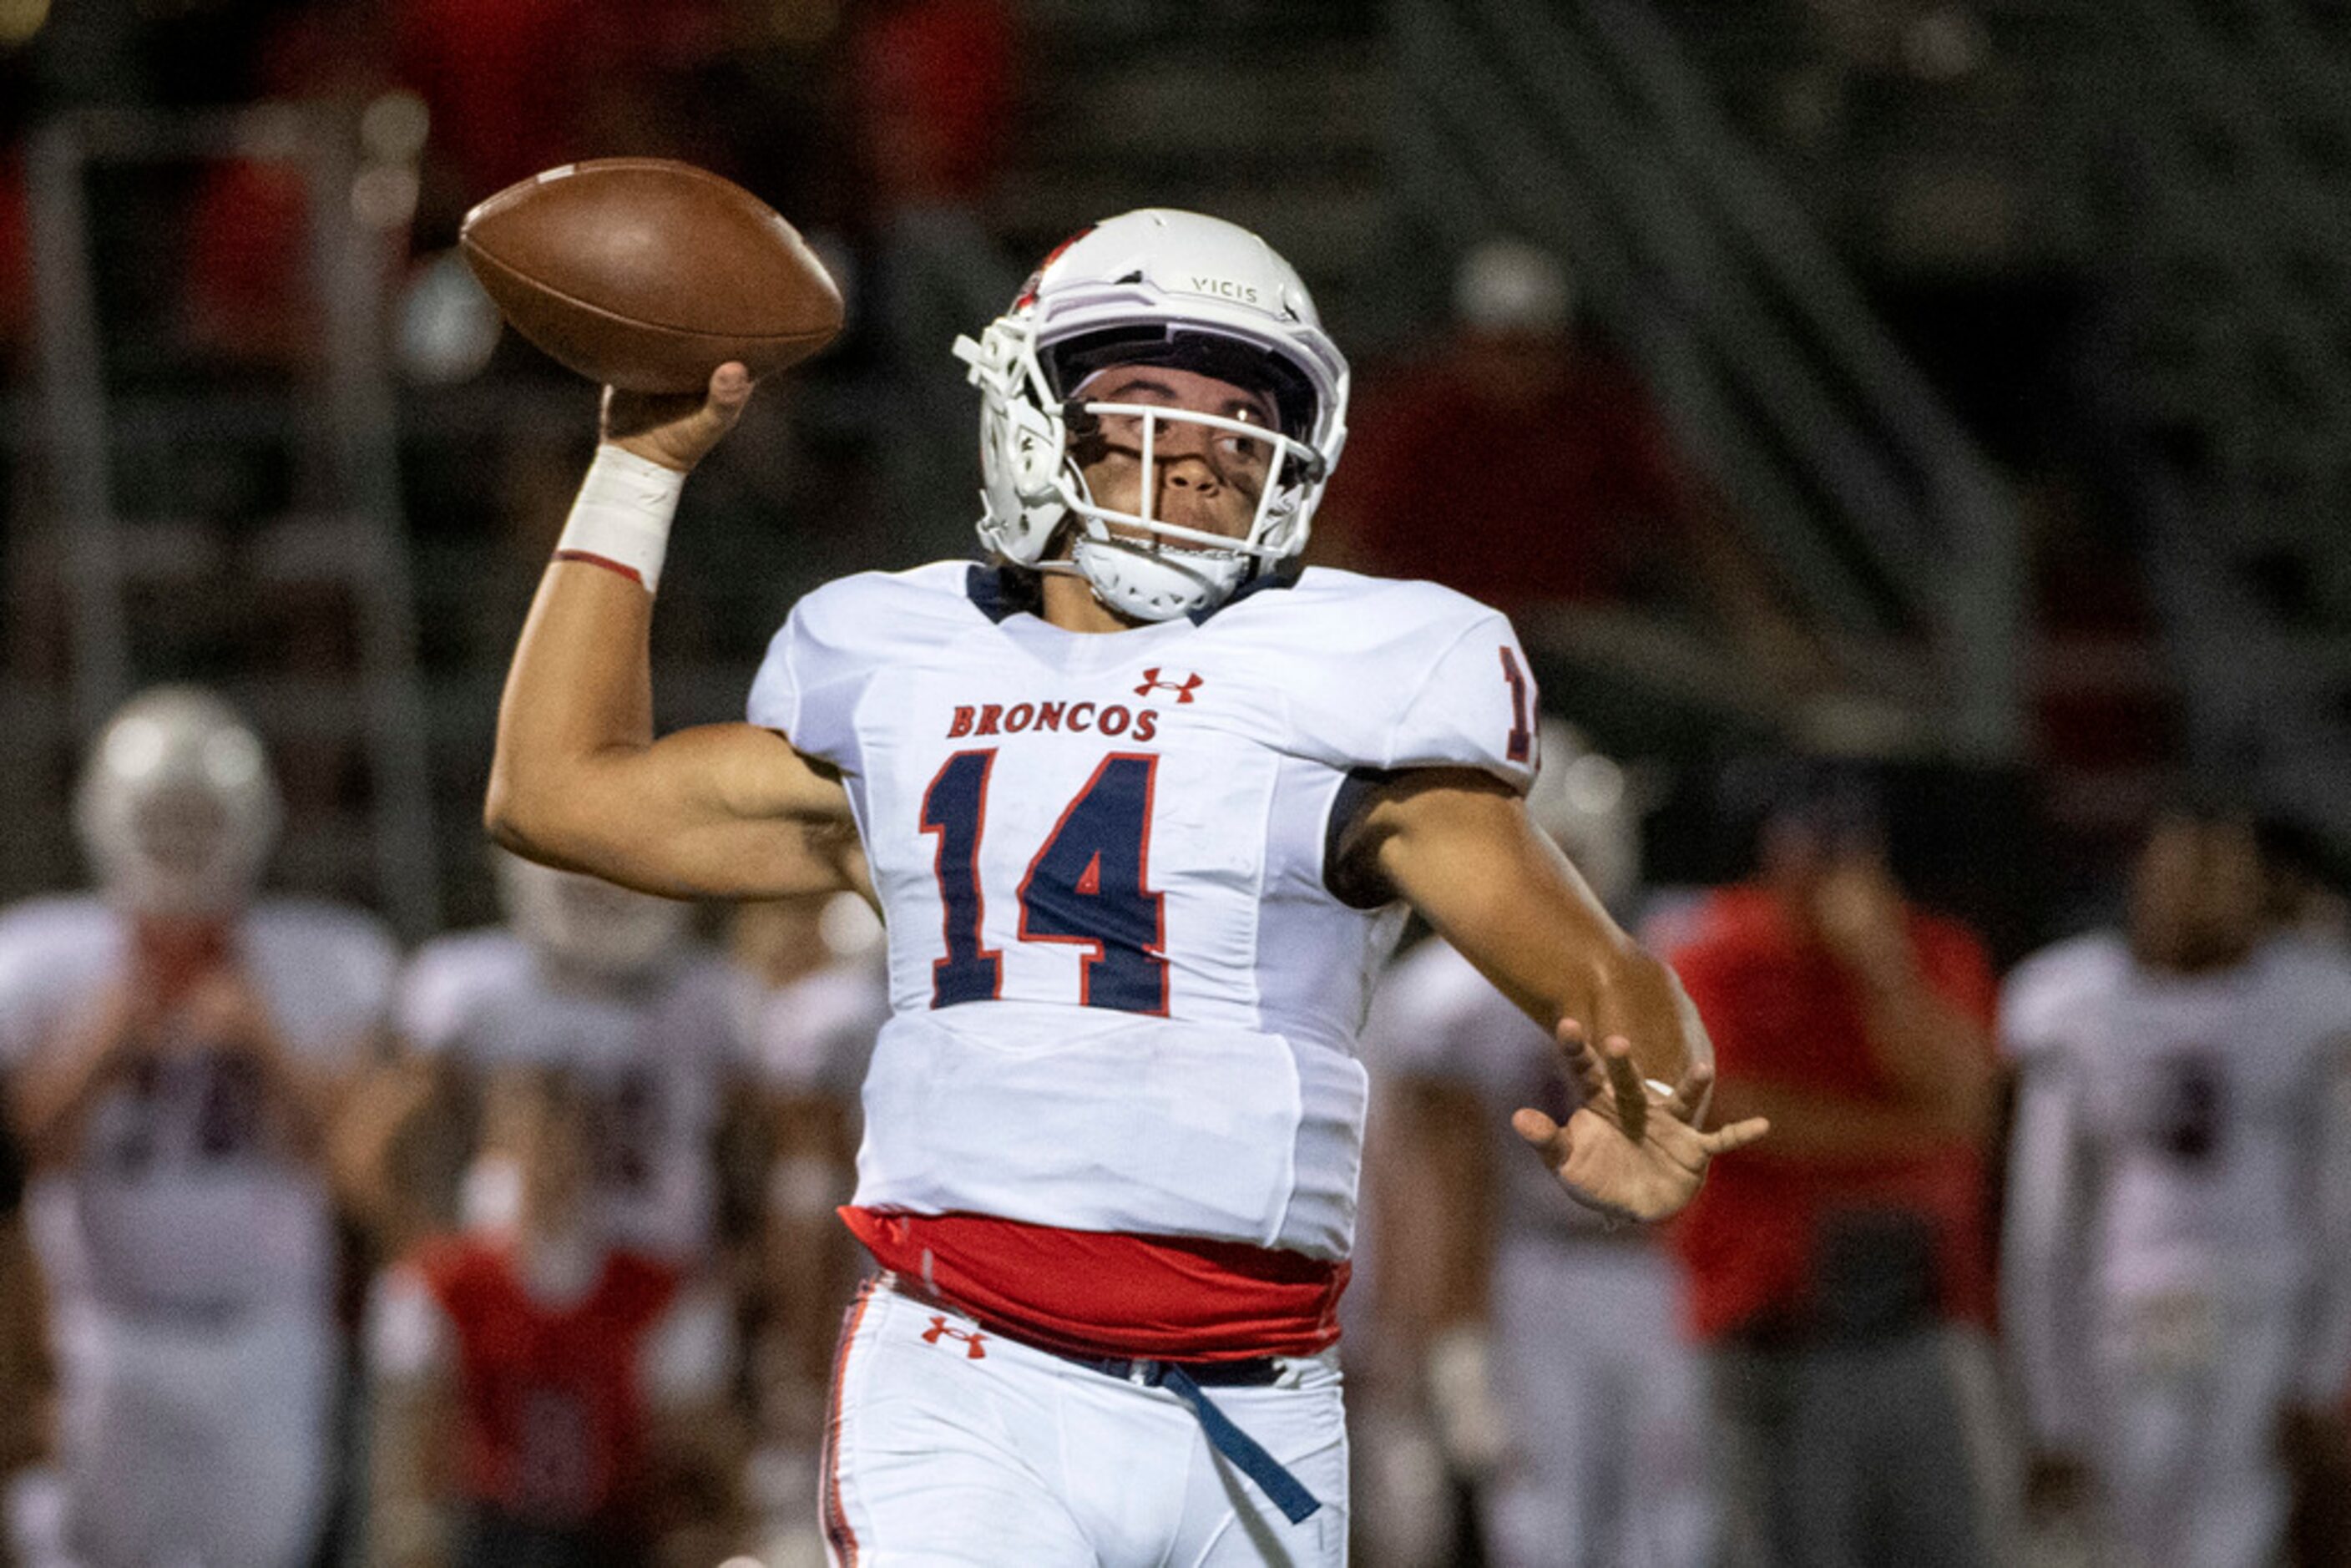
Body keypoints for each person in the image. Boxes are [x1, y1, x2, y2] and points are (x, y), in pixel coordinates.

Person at [484, 207, 1766, 1565]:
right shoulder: (906, 670)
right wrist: (635, 465)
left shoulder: (1343, 681)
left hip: (1252, 1398)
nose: (1209, 442)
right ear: (1035, 416)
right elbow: (555, 792)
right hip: (970, 1365)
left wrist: (1656, 1085)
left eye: (1246, 406)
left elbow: (1602, 972)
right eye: (1154, 394)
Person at [0, 685, 398, 1568]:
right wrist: (99, 1052)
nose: (181, 845)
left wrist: (262, 1040)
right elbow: (17, 1166)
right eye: (162, 819)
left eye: (199, 819)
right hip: (102, 1329)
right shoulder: (40, 961)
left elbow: (354, 1174)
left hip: (263, 1334)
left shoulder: (325, 959)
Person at [1363, 719, 1713, 1568]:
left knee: (1674, 1510)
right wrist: (1449, 1330)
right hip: (1532, 1265)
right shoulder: (1443, 999)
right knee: (1540, 1511)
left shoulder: (1682, 953)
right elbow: (1437, 1180)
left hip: (1657, 1262)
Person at [1660, 756, 2005, 1568]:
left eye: (1849, 847)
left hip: (1922, 1317)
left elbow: (1968, 1103)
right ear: (1769, 847)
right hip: (1778, 1323)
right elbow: (1729, 1113)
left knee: (1955, 1544)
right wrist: (1912, 1132)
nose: (1830, 868)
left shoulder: (1929, 949)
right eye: (1812, 845)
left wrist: (1880, 970)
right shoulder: (1712, 952)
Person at [2002, 801, 2351, 1568]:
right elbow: (2044, 1221)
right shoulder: (2077, 1001)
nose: (2198, 896)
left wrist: (2326, 1369)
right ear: (2143, 883)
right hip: (2127, 1315)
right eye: (2180, 873)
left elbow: (2336, 1201)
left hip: (2263, 1310)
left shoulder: (2310, 1002)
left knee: (2234, 1530)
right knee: (2141, 1534)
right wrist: (2051, 1410)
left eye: (2220, 875)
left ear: (2256, 888)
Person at [364, 1065, 742, 1568]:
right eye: (533, 1148)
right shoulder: (443, 1288)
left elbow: (698, 1469)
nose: (549, 1170)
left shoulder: (652, 1298)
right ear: (500, 1156)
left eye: (564, 1150)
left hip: (611, 1539)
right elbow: (408, 1467)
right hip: (488, 1537)